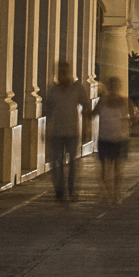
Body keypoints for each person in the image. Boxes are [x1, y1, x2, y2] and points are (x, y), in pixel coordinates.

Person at [43, 61, 90, 201]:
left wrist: (87, 127)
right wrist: (46, 130)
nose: (62, 75)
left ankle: (72, 188)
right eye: (60, 72)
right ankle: (59, 190)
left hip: (72, 132)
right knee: (56, 162)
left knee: (73, 163)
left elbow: (86, 106)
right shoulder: (53, 90)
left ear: (68, 72)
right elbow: (48, 111)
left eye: (64, 72)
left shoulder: (77, 88)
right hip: (57, 132)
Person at [95, 75, 133, 203]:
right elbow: (92, 113)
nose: (114, 87)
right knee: (105, 168)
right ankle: (108, 192)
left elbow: (133, 118)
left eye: (116, 85)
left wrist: (127, 123)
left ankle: (116, 193)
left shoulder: (125, 101)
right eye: (112, 85)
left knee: (118, 167)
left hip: (120, 138)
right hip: (105, 138)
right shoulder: (102, 100)